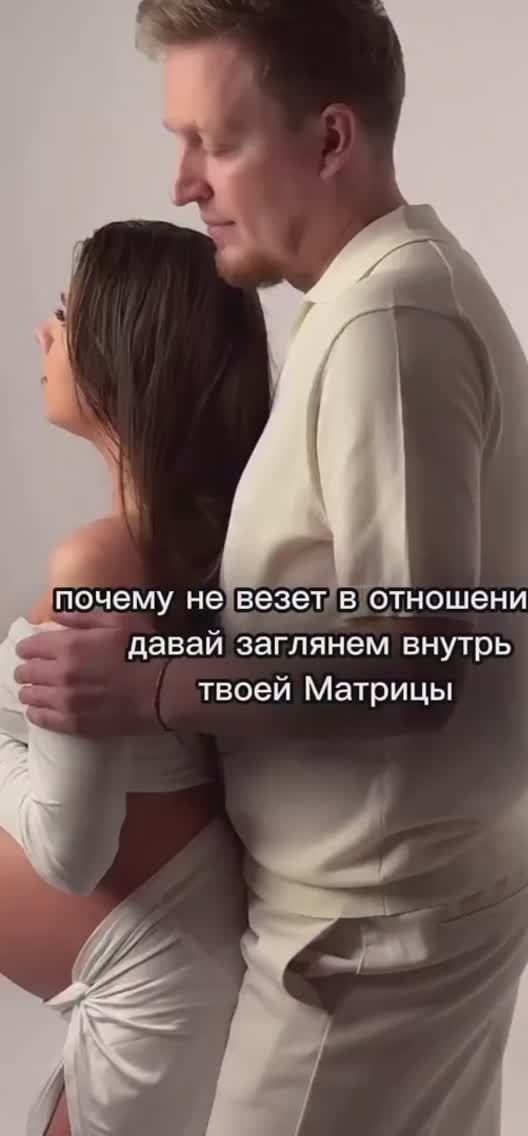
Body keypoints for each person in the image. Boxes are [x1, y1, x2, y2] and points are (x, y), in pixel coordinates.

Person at [16, 2, 528, 1134]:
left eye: (214, 143)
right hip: (402, 898)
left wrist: (153, 686)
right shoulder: (367, 303)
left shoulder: (388, 324)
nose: (184, 183)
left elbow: (420, 663)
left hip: (373, 930)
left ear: (329, 139)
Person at [1, 218, 271, 1135]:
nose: (43, 333)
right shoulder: (174, 542)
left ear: (123, 350)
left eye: (65, 315)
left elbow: (69, 851)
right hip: (158, 961)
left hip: (150, 979)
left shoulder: (102, 560)